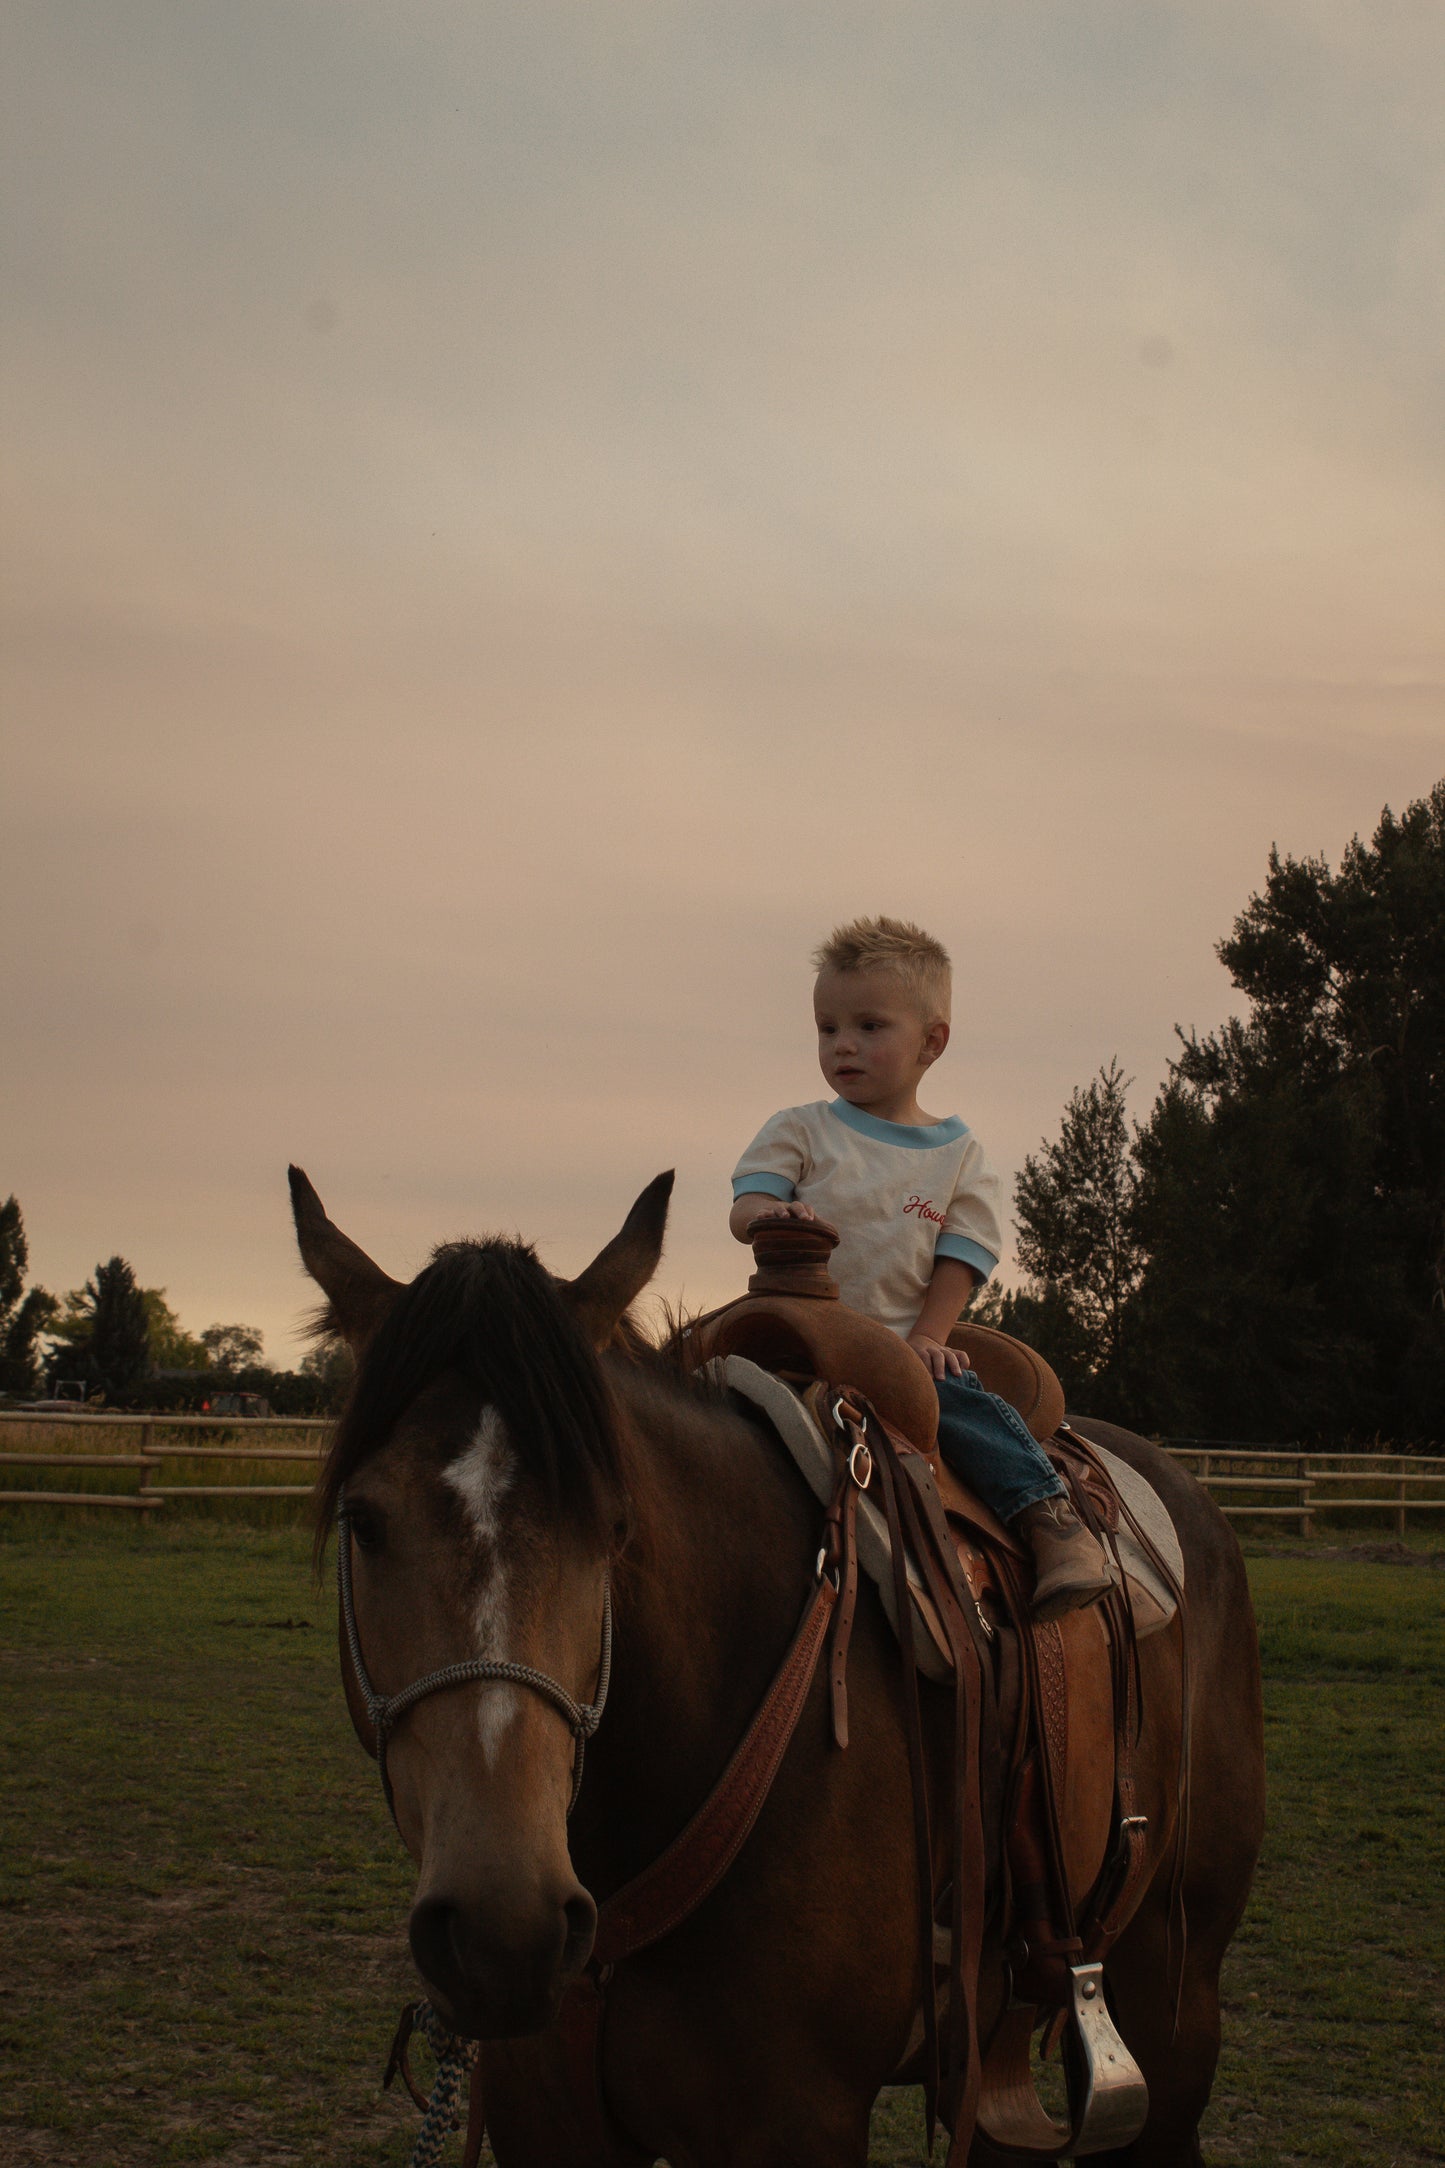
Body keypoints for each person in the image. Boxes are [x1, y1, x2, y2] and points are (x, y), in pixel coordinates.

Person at [730, 914, 1114, 1619]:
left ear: (931, 1042)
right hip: (793, 1334)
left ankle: (1049, 1522)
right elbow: (747, 1200)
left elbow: (961, 1258)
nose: (842, 1044)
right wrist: (768, 1217)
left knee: (966, 1414)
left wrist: (929, 1339)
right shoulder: (800, 1129)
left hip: (895, 1347)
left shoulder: (956, 1156)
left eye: (869, 1027)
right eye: (827, 1028)